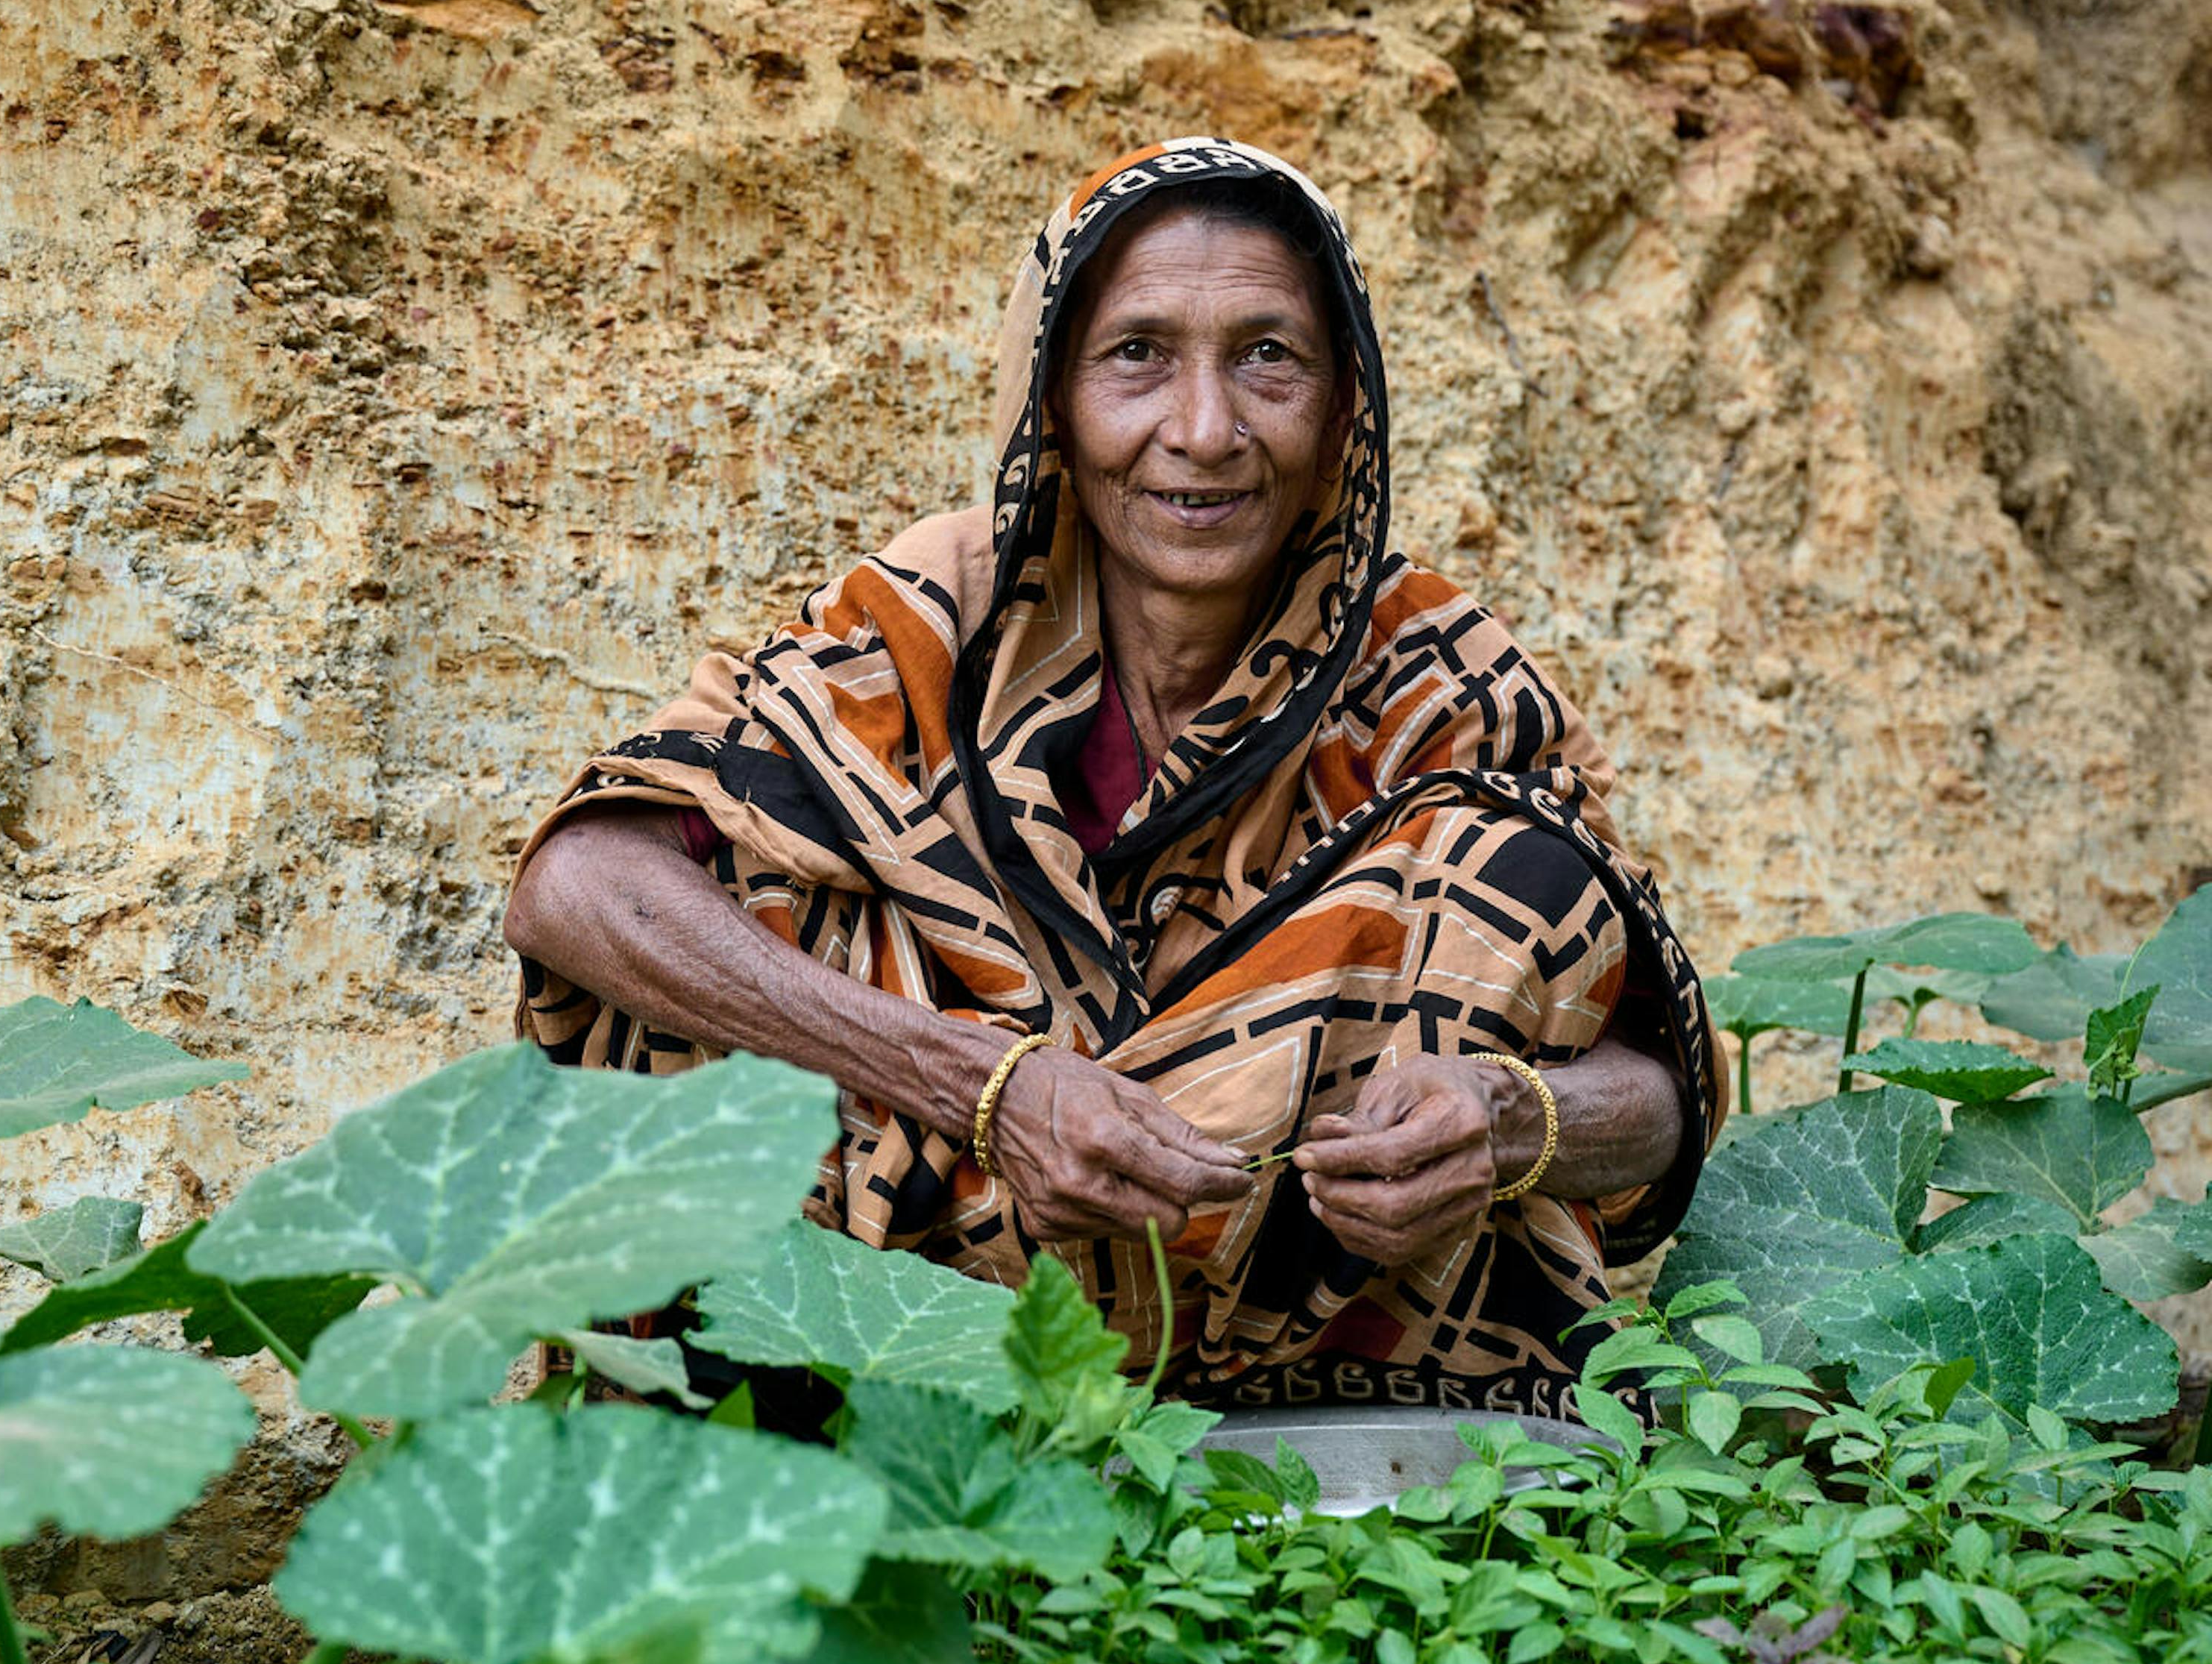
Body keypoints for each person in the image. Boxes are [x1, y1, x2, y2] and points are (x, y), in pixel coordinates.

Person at [505, 139, 1725, 1419]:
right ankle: (743, 1485)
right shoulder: (927, 625)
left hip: (1312, 1314)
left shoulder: (1430, 675)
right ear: (1055, 402)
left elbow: (1660, 1095)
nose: (1203, 432)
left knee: (1506, 869)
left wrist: (1507, 1117)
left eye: (1270, 356)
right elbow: (581, 884)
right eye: (1137, 354)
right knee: (725, 907)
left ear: (1340, 411)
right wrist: (981, 1084)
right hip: (927, 1315)